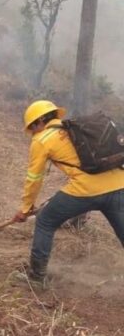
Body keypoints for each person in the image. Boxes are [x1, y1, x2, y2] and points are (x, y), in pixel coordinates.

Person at [12, 99, 124, 283]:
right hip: (119, 185)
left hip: (86, 190)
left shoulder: (42, 140)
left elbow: (34, 179)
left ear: (39, 122)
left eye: (32, 128)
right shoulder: (76, 129)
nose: (33, 132)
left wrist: (25, 208)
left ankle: (36, 278)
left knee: (45, 221)